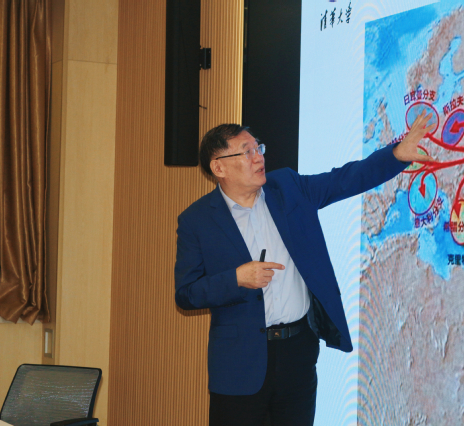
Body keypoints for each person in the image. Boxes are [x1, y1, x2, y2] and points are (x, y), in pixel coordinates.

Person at [174, 112, 436, 426]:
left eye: (258, 148)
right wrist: (236, 279)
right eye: (247, 152)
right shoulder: (197, 221)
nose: (259, 158)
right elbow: (186, 294)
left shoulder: (287, 188)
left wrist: (396, 156)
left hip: (297, 352)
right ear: (219, 167)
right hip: (239, 364)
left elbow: (343, 180)